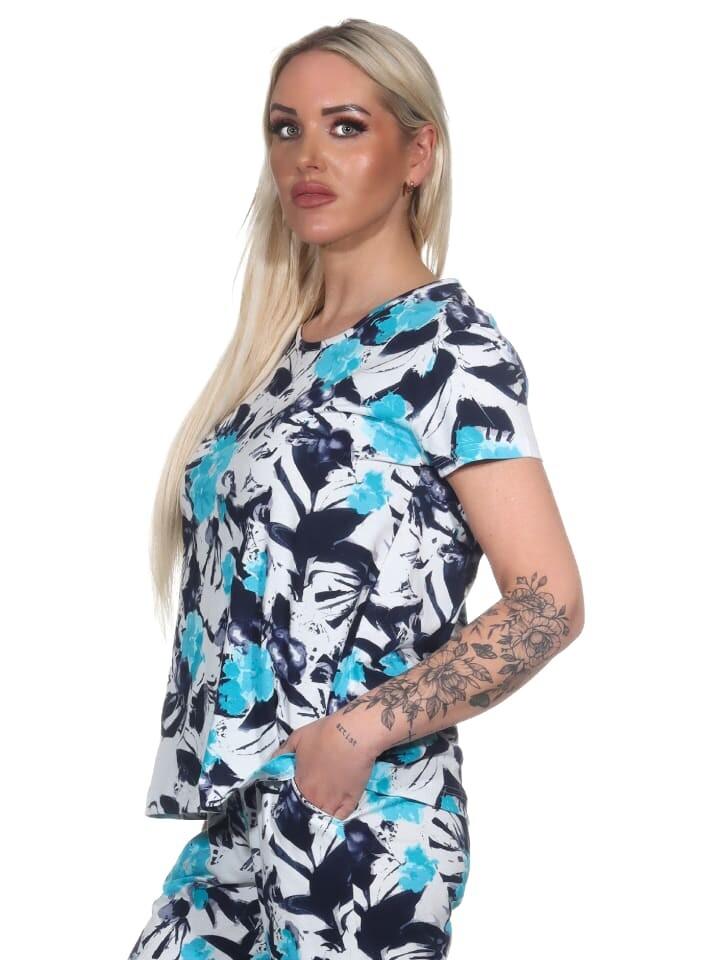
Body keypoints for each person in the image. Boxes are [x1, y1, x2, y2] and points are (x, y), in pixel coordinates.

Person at [128, 17, 585, 960]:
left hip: (363, 826)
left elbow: (549, 603)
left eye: (346, 126)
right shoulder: (274, 358)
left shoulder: (449, 350)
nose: (308, 156)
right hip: (241, 820)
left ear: (417, 154)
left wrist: (356, 734)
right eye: (284, 127)